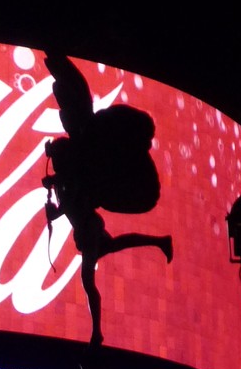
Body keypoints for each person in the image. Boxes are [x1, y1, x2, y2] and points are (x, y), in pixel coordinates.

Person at [43, 51, 173, 345]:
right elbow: (66, 199)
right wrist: (54, 192)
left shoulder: (76, 179)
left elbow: (67, 205)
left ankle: (97, 333)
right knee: (114, 246)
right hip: (90, 226)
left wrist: (53, 206)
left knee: (88, 280)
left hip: (89, 228)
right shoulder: (71, 180)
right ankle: (161, 241)